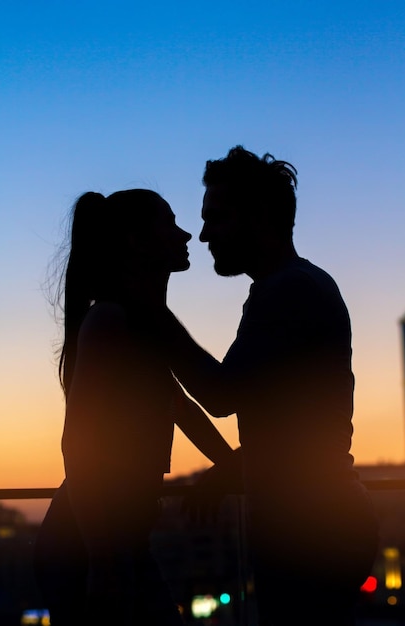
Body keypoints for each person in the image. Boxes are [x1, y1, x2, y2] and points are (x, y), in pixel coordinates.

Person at [159, 146, 380, 626]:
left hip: (311, 534)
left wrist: (153, 316)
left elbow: (220, 395)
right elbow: (296, 428)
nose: (204, 234)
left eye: (216, 218)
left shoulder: (286, 291)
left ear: (257, 217)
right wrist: (230, 471)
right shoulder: (297, 286)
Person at [33, 189, 235, 626]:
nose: (185, 235)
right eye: (169, 223)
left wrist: (234, 465)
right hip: (92, 546)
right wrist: (103, 562)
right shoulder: (110, 321)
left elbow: (181, 407)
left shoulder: (137, 323)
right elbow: (77, 444)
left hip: (112, 542)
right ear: (135, 241)